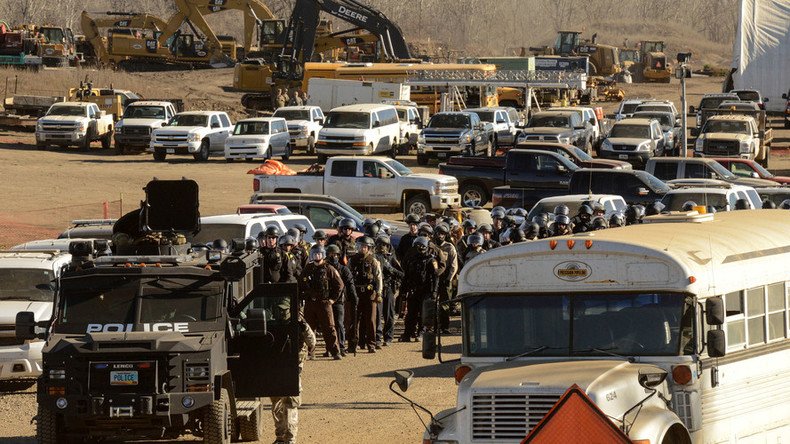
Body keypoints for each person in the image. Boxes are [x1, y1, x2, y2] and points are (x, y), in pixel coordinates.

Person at [269, 304, 315, 444]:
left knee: (285, 402)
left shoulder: (296, 322)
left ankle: (286, 438)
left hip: (286, 367)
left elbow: (311, 341)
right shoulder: (292, 321)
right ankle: (284, 438)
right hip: (283, 367)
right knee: (283, 402)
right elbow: (312, 343)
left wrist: (304, 326)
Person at [300, 245, 344, 360]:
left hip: (324, 303)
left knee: (329, 327)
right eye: (314, 254)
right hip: (310, 303)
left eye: (319, 254)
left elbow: (340, 285)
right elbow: (300, 285)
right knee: (308, 328)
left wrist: (333, 299)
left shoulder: (329, 268)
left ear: (323, 255)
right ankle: (310, 353)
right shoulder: (307, 269)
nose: (317, 256)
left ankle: (335, 351)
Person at [400, 236, 439, 342]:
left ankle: (421, 332)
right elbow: (406, 276)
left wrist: (434, 291)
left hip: (426, 290)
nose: (419, 249)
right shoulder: (412, 260)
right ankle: (408, 333)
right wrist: (403, 290)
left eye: (421, 247)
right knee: (411, 313)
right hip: (413, 289)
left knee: (424, 313)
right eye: (417, 247)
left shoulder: (431, 260)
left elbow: (435, 277)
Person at [348, 236, 382, 353]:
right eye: (360, 246)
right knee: (354, 320)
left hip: (369, 294)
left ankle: (371, 344)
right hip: (356, 294)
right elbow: (348, 278)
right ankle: (353, 344)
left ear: (368, 248)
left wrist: (379, 293)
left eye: (364, 246)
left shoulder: (373, 261)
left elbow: (378, 278)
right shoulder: (352, 260)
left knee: (371, 320)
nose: (362, 248)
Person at [327, 244, 355, 356]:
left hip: (339, 301)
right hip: (327, 301)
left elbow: (350, 284)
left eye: (335, 254)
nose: (333, 256)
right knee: (328, 325)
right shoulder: (324, 268)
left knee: (339, 323)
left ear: (338, 256)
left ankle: (341, 346)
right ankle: (330, 347)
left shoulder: (344, 269)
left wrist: (354, 297)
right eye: (331, 254)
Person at [374, 235, 403, 345]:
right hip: (378, 289)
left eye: (384, 245)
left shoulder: (391, 258)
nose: (382, 247)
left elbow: (401, 274)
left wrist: (391, 269)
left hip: (389, 288)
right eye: (380, 245)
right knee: (377, 314)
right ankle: (378, 337)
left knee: (389, 314)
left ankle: (388, 337)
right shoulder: (374, 258)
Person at [433, 223, 458, 334]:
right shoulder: (432, 245)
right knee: (432, 303)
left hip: (446, 278)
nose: (440, 236)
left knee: (445, 304)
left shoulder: (449, 247)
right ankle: (433, 326)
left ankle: (445, 327)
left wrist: (449, 278)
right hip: (434, 278)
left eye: (442, 234)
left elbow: (454, 265)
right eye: (438, 233)